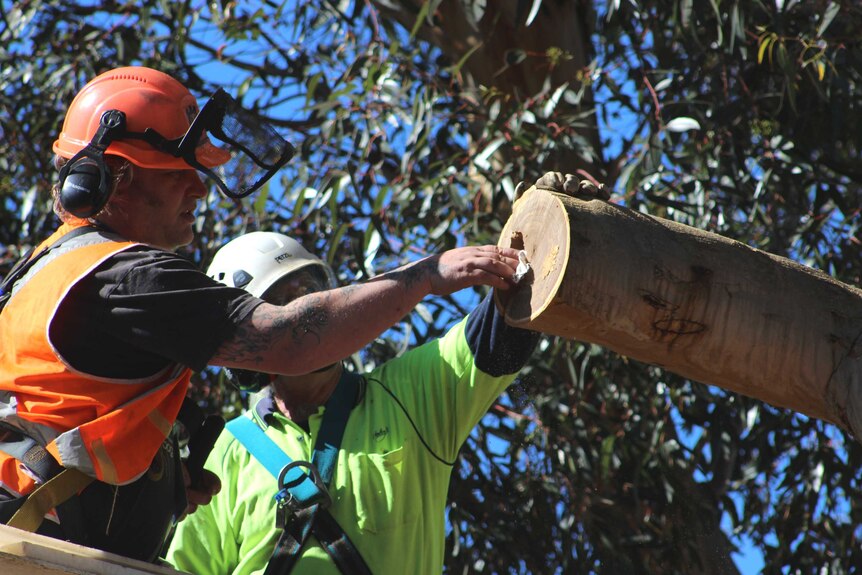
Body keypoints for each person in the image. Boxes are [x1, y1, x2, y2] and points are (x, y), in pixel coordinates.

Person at [0, 66, 524, 563]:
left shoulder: (42, 271)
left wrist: (150, 490)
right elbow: (291, 340)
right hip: (38, 546)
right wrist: (426, 275)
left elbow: (57, 413)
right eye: (181, 172)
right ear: (115, 176)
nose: (201, 188)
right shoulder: (128, 275)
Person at [164, 231, 539, 575]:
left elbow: (506, 331)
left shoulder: (411, 394)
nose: (308, 313)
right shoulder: (228, 451)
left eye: (313, 292)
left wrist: (543, 236)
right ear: (246, 346)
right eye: (284, 306)